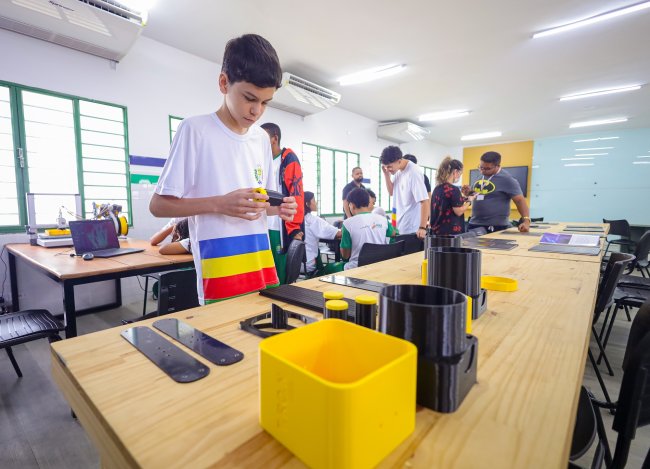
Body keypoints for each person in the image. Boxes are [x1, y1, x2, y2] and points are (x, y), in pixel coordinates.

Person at [149, 34, 297, 304]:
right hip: (220, 273)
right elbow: (158, 206)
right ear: (224, 83)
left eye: (265, 102)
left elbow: (260, 204)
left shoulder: (261, 139)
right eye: (250, 98)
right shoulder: (195, 130)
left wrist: (278, 208)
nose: (256, 111)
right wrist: (219, 204)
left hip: (260, 264)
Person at [260, 122, 305, 284]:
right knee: (265, 274)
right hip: (262, 224)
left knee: (281, 276)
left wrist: (295, 228)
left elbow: (296, 194)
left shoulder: (288, 159)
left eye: (263, 137)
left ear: (274, 138)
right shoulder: (261, 160)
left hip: (280, 226)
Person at [462, 151, 530, 233]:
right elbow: (479, 194)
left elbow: (519, 200)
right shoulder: (480, 175)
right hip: (474, 223)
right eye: (481, 167)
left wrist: (526, 221)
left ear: (497, 166)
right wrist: (468, 193)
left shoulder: (507, 179)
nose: (483, 171)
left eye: (487, 168)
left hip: (495, 226)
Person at [340, 188, 397, 270]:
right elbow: (393, 234)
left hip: (357, 268)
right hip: (381, 265)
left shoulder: (347, 224)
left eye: (349, 204)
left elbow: (345, 255)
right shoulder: (383, 220)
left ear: (352, 205)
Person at [380, 145, 429, 239]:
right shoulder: (397, 171)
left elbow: (424, 201)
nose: (388, 169)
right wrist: (386, 175)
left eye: (389, 166)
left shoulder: (413, 172)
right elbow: (391, 192)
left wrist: (422, 227)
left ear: (399, 161)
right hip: (398, 226)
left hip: (410, 229)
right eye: (386, 167)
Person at [430, 157, 476, 235]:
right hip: (450, 233)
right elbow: (459, 212)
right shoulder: (454, 189)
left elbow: (449, 202)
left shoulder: (437, 188)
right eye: (460, 173)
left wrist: (464, 199)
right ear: (455, 171)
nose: (459, 176)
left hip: (436, 231)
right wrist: (469, 201)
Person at [303, 191, 343, 275]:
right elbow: (338, 234)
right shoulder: (313, 220)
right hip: (309, 265)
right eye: (314, 200)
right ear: (307, 204)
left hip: (294, 265)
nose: (316, 203)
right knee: (339, 266)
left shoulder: (295, 219)